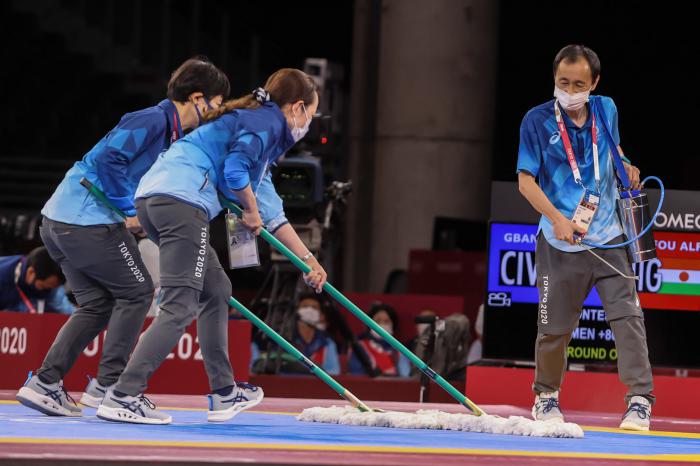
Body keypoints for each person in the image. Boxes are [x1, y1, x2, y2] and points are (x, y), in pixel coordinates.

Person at [95, 68, 327, 425]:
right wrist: (250, 211)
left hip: (156, 201)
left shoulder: (258, 131)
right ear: (297, 108)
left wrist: (308, 261)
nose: (308, 123)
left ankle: (224, 392)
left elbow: (272, 211)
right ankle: (124, 394)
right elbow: (235, 173)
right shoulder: (265, 124)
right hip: (180, 202)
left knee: (216, 289)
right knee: (179, 306)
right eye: (310, 114)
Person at [16, 57, 229, 417]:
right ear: (197, 98)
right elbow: (110, 159)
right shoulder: (152, 119)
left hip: (62, 222)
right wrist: (129, 208)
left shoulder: (171, 132)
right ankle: (110, 388)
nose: (216, 112)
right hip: (85, 221)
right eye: (217, 104)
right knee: (138, 292)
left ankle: (45, 383)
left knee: (97, 305)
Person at [517, 44, 653, 430]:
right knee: (554, 330)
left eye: (579, 84)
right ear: (554, 79)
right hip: (561, 242)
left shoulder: (606, 108)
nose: (570, 91)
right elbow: (525, 181)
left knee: (628, 319)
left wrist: (626, 165)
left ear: (594, 82)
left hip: (609, 238)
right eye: (563, 82)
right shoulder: (536, 120)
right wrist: (557, 219)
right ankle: (546, 396)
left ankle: (640, 400)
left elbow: (613, 149)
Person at [252, 293, 340, 375]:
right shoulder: (282, 337)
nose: (309, 310)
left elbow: (333, 372)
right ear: (297, 311)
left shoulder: (327, 343)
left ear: (321, 315)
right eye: (305, 306)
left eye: (314, 307)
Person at [0, 247, 74, 314]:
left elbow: (64, 308)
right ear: (31, 272)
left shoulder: (52, 285)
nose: (49, 292)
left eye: (53, 288)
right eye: (43, 287)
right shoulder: (3, 277)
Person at [348, 302, 410, 377]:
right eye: (378, 321)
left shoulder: (400, 351)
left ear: (393, 326)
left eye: (386, 321)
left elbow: (406, 378)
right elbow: (357, 375)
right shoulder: (359, 346)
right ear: (369, 324)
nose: (381, 325)